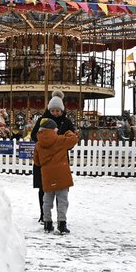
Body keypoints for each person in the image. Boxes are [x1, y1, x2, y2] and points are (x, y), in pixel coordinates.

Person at [31, 90, 76, 224]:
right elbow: (34, 136)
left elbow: (71, 140)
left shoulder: (66, 122)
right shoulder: (42, 121)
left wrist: (59, 143)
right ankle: (44, 215)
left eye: (58, 111)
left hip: (59, 159)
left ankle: (60, 216)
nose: (55, 113)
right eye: (53, 110)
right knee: (43, 188)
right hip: (45, 158)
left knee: (60, 189)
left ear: (62, 110)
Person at [33, 118, 79, 234]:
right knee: (62, 200)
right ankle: (62, 224)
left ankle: (47, 224)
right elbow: (74, 139)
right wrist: (68, 132)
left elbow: (37, 162)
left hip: (47, 177)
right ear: (53, 130)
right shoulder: (60, 140)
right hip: (61, 176)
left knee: (47, 200)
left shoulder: (38, 144)